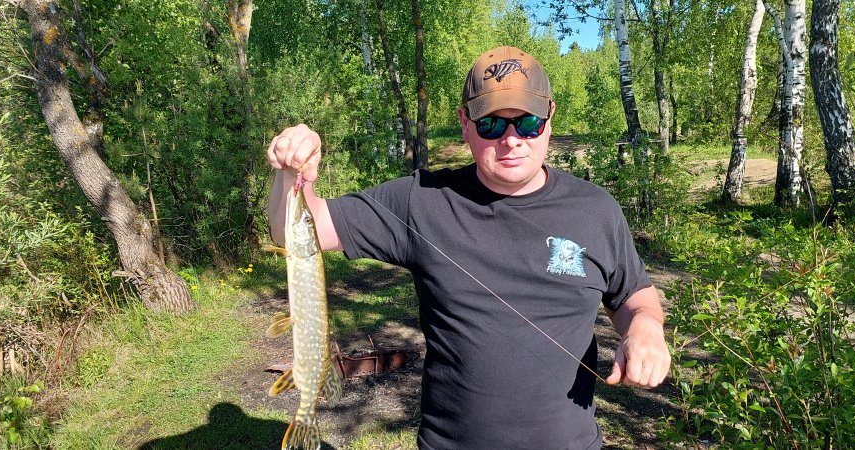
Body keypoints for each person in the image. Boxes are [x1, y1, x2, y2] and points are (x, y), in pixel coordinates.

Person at [266, 46, 670, 449]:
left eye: (528, 123)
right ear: (465, 123)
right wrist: (291, 173)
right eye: (491, 124)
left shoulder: (595, 210)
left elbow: (633, 293)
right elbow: (297, 231)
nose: (511, 140)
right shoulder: (422, 200)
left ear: (549, 118)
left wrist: (646, 328)